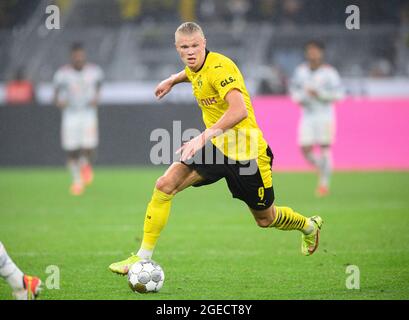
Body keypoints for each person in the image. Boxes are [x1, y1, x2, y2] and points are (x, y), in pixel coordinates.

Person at [109, 22, 323, 275]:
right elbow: (191, 73)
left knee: (265, 219)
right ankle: (141, 258)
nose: (191, 52)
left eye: (195, 46)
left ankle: (308, 226)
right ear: (177, 49)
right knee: (165, 185)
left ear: (205, 43)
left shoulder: (220, 68)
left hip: (248, 155)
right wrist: (172, 80)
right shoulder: (195, 67)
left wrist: (203, 137)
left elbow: (239, 109)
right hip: (219, 147)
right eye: (184, 47)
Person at [290, 40, 344, 197]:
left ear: (321, 53)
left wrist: (320, 95)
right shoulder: (300, 71)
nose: (312, 54)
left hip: (325, 115)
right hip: (307, 115)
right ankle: (323, 168)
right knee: (304, 148)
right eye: (309, 51)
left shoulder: (329, 73)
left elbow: (339, 95)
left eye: (315, 51)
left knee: (325, 148)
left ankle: (323, 184)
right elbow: (294, 90)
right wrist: (301, 97)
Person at [53, 43, 104, 196]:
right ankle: (77, 181)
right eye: (76, 56)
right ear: (72, 57)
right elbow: (55, 93)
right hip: (71, 113)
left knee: (89, 146)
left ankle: (85, 164)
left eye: (81, 56)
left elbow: (99, 86)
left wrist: (96, 98)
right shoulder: (62, 74)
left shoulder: (94, 72)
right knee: (71, 149)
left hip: (88, 112)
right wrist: (58, 101)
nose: (79, 59)